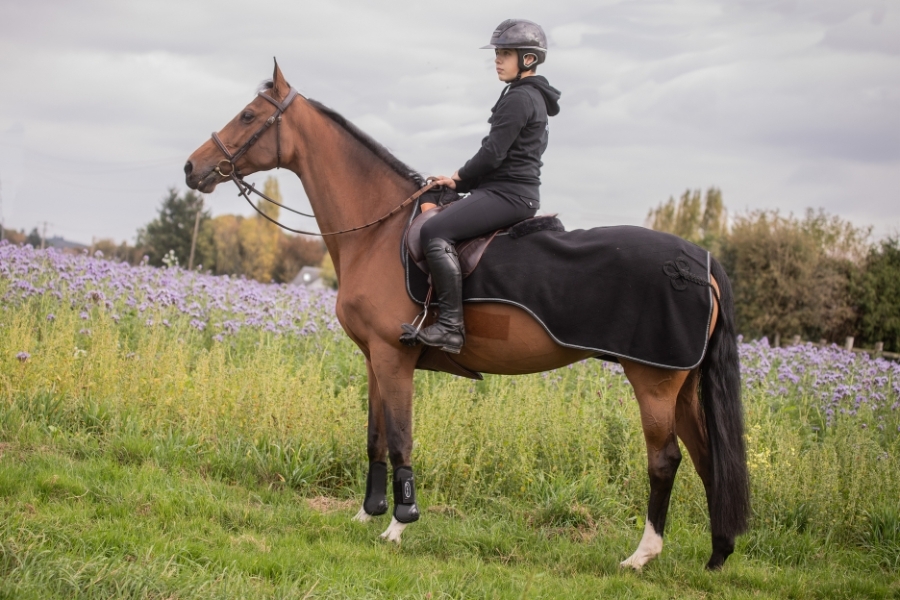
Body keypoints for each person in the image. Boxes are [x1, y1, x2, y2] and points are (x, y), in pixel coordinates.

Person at [408, 18, 561, 353]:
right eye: (497, 53)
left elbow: (492, 154)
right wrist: (458, 180)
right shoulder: (525, 95)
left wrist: (460, 177)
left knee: (433, 232)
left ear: (528, 59)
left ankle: (450, 326)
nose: (497, 60)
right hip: (506, 190)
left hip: (507, 195)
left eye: (505, 53)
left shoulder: (520, 98)